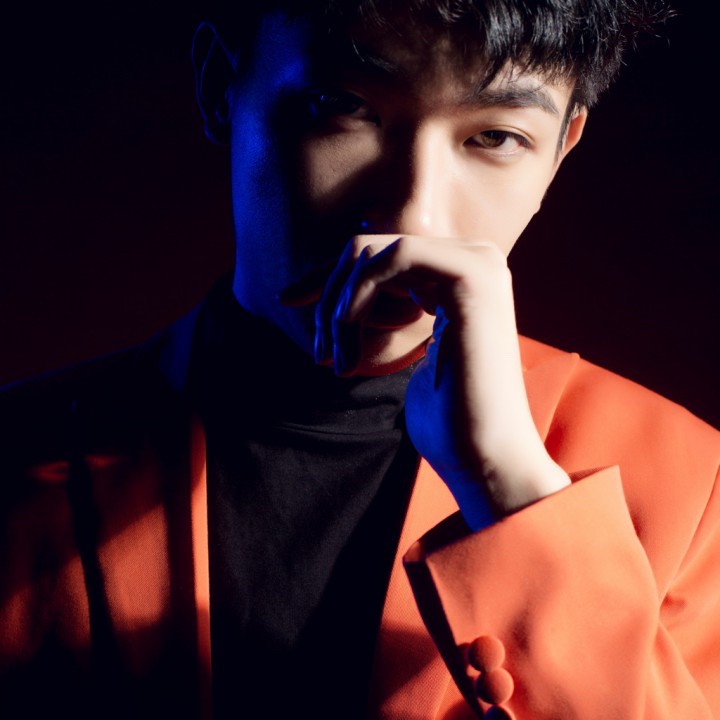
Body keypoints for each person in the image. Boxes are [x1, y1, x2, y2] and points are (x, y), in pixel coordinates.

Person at [1, 1, 718, 719]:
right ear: (220, 84)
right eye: (341, 106)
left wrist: (508, 483)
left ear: (562, 148)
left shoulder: (692, 491)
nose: (412, 218)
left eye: (496, 137)